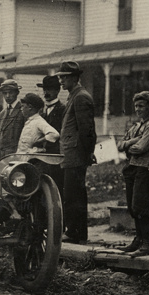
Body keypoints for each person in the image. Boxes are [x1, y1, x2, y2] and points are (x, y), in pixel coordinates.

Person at [116, 91, 149, 257]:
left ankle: (148, 242)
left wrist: (129, 143)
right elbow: (120, 145)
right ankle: (139, 239)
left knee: (140, 205)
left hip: (145, 167)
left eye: (141, 106)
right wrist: (131, 142)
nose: (137, 109)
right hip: (132, 166)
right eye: (136, 106)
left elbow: (140, 148)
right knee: (132, 206)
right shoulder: (137, 126)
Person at [56, 61, 97, 244]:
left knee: (74, 195)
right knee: (73, 194)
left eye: (64, 77)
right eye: (60, 77)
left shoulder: (81, 97)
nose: (61, 80)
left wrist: (87, 153)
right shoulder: (74, 96)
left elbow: (86, 130)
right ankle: (76, 232)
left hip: (76, 155)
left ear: (74, 77)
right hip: (71, 154)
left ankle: (75, 232)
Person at [38, 74, 66, 191]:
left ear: (57, 91)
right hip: (43, 157)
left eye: (49, 89)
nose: (46, 93)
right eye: (44, 90)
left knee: (56, 187)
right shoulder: (41, 111)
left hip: (56, 156)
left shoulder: (62, 110)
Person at [0, 79, 24, 161]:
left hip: (15, 156)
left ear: (17, 93)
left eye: (10, 92)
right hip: (0, 156)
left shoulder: (23, 111)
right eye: (5, 93)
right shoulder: (2, 113)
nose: (7, 96)